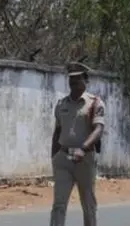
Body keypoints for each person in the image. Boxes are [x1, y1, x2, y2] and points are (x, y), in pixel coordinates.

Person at [50, 62, 106, 226]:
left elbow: (98, 129)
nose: (73, 83)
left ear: (85, 80)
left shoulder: (95, 103)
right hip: (63, 159)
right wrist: (54, 156)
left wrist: (83, 148)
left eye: (77, 79)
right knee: (59, 204)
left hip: (84, 159)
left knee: (88, 204)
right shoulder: (61, 104)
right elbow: (57, 131)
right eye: (71, 80)